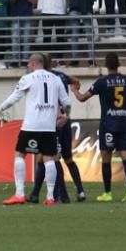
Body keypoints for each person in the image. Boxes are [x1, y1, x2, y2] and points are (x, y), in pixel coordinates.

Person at [0, 53, 69, 205]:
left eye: (28, 64)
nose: (27, 66)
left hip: (32, 125)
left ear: (33, 64)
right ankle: (50, 197)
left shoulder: (28, 78)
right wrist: (65, 116)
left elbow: (14, 97)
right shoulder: (56, 79)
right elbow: (66, 102)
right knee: (49, 159)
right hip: (49, 126)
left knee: (20, 154)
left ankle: (19, 194)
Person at [73, 52, 126, 202]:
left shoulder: (101, 82)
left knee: (106, 159)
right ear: (118, 64)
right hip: (124, 124)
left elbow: (83, 98)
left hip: (108, 125)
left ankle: (107, 194)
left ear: (106, 65)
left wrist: (75, 91)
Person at [26, 57, 84, 203]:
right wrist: (75, 89)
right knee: (64, 158)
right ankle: (80, 191)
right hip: (65, 120)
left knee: (51, 158)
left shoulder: (44, 79)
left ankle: (61, 195)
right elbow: (75, 80)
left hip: (52, 121)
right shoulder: (62, 76)